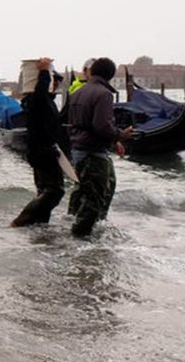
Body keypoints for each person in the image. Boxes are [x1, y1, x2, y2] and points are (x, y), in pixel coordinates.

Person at [64, 57, 133, 237]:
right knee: (94, 199)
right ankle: (80, 239)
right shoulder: (103, 94)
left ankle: (78, 227)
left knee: (85, 193)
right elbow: (101, 126)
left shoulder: (78, 92)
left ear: (92, 71)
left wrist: (114, 139)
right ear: (111, 75)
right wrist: (121, 135)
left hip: (78, 149)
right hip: (93, 152)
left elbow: (71, 122)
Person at [11, 58, 68, 228]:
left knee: (44, 191)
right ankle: (20, 222)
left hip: (43, 151)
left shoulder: (44, 101)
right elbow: (40, 92)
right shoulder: (36, 100)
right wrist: (43, 72)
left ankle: (38, 227)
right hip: (42, 152)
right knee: (55, 191)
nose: (56, 83)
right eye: (54, 79)